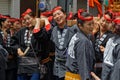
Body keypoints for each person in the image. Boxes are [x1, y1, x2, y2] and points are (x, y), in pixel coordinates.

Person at [33, 6, 75, 80]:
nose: (57, 17)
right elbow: (38, 35)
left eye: (59, 14)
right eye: (55, 15)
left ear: (65, 14)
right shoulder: (53, 30)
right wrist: (40, 21)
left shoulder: (73, 29)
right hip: (57, 68)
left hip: (71, 67)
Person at [10, 8, 41, 80]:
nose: (27, 21)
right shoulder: (21, 31)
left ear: (34, 18)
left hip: (35, 64)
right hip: (22, 64)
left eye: (29, 19)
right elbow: (13, 42)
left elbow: (43, 39)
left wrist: (38, 24)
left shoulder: (39, 31)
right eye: (25, 20)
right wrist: (18, 49)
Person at [65, 9, 95, 80]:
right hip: (77, 77)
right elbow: (83, 65)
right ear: (80, 25)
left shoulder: (77, 36)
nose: (92, 27)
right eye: (89, 24)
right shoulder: (83, 41)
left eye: (92, 23)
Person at [94, 10, 114, 77]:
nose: (104, 23)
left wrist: (106, 50)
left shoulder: (111, 36)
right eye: (103, 20)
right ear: (99, 20)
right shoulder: (95, 33)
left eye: (107, 22)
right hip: (92, 66)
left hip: (104, 69)